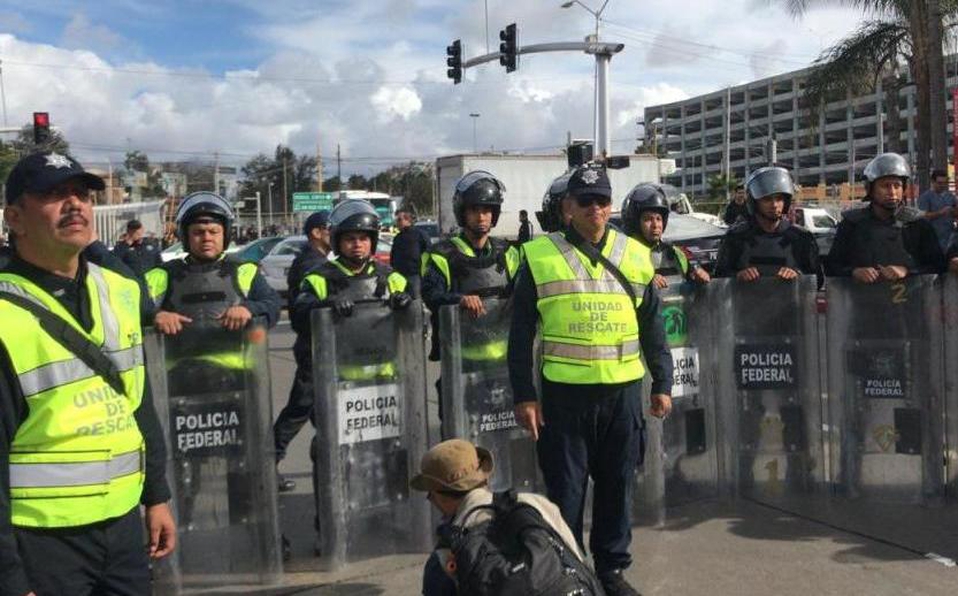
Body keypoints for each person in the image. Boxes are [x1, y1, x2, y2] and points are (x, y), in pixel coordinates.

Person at [0, 151, 175, 595]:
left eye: (81, 193)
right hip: (41, 543)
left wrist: (157, 496)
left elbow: (139, 404)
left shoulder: (118, 291)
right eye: (54, 194)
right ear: (15, 218)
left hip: (121, 529)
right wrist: (9, 576)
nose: (75, 204)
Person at [507, 163, 673, 596]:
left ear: (611, 206)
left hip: (622, 396)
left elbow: (653, 326)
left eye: (602, 201)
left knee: (618, 486)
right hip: (565, 399)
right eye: (585, 202)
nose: (595, 210)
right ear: (568, 208)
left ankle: (612, 572)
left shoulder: (635, 254)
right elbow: (520, 333)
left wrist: (662, 382)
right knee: (566, 491)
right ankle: (569, 571)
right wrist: (524, 396)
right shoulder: (539, 257)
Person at [290, 199, 412, 553]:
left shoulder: (391, 278)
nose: (357, 244)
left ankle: (386, 519)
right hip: (338, 386)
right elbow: (298, 312)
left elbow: (415, 315)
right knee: (331, 456)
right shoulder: (320, 278)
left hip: (382, 387)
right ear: (338, 241)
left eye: (364, 238)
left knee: (385, 457)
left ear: (373, 241)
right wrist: (323, 307)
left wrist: (406, 304)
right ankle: (327, 528)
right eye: (350, 238)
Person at [412, 439, 587, 596]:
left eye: (431, 495)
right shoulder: (536, 505)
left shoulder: (447, 553)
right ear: (484, 478)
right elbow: (578, 564)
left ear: (441, 496)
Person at [421, 171, 521, 418]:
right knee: (459, 439)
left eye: (488, 210)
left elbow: (522, 292)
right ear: (462, 212)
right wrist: (459, 299)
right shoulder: (441, 254)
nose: (482, 216)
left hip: (502, 364)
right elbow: (430, 294)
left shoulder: (507, 252)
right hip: (460, 366)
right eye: (475, 210)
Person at [272, 209, 331, 492]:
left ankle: (333, 461)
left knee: (325, 413)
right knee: (299, 409)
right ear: (316, 233)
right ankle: (267, 464)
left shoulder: (317, 259)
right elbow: (306, 309)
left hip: (318, 346)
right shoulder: (312, 263)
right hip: (313, 347)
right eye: (329, 228)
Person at [827, 153, 943, 281]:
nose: (892, 192)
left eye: (897, 186)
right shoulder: (852, 224)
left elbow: (938, 266)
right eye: (885, 186)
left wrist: (907, 271)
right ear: (871, 189)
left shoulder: (918, 224)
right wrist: (854, 272)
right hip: (862, 299)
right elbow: (831, 266)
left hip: (910, 299)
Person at [714, 166, 822, 285]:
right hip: (747, 302)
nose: (774, 205)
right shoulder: (736, 237)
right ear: (754, 202)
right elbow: (718, 277)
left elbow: (818, 280)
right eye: (767, 199)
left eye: (779, 199)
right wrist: (737, 276)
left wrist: (798, 275)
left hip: (789, 302)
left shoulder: (801, 237)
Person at [621, 182, 711, 287]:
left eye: (658, 219)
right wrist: (645, 280)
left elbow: (692, 271)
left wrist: (697, 273)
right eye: (648, 219)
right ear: (635, 222)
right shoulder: (623, 253)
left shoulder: (674, 253)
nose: (655, 225)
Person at [390, 207, 429, 298]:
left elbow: (428, 251)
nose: (397, 223)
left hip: (415, 275)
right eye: (397, 220)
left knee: (415, 299)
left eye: (399, 220)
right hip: (399, 276)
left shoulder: (420, 234)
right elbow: (393, 254)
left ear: (408, 220)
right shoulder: (398, 237)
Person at [917, 168, 957, 252]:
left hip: (949, 237)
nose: (942, 185)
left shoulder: (950, 196)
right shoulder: (925, 197)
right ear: (933, 182)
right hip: (933, 238)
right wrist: (940, 212)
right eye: (939, 183)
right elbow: (922, 216)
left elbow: (955, 214)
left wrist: (954, 211)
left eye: (945, 183)